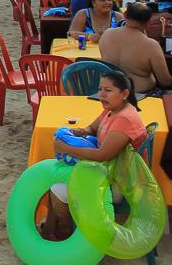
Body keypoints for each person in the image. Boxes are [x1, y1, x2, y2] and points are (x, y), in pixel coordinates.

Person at [47, 71, 149, 240]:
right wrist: (77, 132)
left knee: (57, 189)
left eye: (108, 90)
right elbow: (92, 128)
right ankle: (52, 227)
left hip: (121, 184)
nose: (101, 94)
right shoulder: (112, 110)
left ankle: (66, 230)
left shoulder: (124, 119)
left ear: (124, 94)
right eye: (100, 88)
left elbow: (103, 155)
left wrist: (65, 148)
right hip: (109, 171)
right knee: (55, 175)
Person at [98, 2, 172, 93]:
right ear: (149, 21)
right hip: (140, 95)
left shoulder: (107, 34)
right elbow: (165, 81)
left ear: (125, 15)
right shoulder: (151, 45)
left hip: (109, 93)